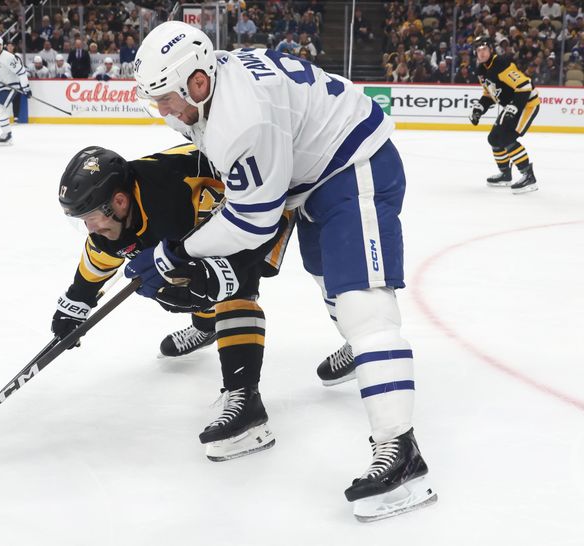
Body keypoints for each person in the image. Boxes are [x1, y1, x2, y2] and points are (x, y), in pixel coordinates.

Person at [133, 21, 436, 522]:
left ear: (197, 82)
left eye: (166, 98)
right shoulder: (212, 87)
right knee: (326, 275)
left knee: (363, 302)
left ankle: (402, 452)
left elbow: (252, 221)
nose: (163, 110)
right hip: (313, 175)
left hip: (354, 165)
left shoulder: (241, 118)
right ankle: (362, 351)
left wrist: (177, 251)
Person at [55, 145, 292, 461]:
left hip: (262, 201)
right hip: (205, 214)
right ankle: (209, 326)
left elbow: (236, 247)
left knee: (227, 282)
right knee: (177, 279)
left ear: (119, 202)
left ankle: (246, 404)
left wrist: (210, 275)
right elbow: (102, 253)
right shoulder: (119, 212)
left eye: (91, 218)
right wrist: (77, 300)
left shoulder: (168, 193)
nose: (91, 228)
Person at [469, 36, 539, 194]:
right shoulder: (481, 70)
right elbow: (490, 93)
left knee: (507, 138)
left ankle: (528, 176)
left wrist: (514, 107)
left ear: (491, 50)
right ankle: (505, 175)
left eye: (484, 49)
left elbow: (525, 85)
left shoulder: (501, 64)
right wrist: (479, 109)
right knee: (494, 138)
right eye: (478, 50)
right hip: (511, 105)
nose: (481, 53)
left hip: (527, 104)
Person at [0, 34, 30, 146]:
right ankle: (6, 134)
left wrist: (26, 88)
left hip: (11, 86)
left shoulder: (8, 58)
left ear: (2, 45)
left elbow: (21, 72)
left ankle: (7, 134)